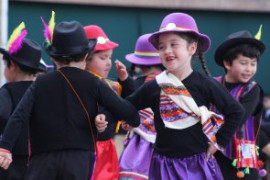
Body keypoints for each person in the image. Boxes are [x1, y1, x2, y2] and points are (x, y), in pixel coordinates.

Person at [98, 12, 245, 180]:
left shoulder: (206, 84)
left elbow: (236, 111)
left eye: (174, 44)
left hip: (196, 166)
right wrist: (107, 116)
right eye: (161, 47)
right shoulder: (154, 86)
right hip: (162, 167)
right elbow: (128, 106)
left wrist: (218, 142)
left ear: (192, 48)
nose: (167, 51)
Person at [0, 20, 140, 180]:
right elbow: (128, 113)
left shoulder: (40, 83)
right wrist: (122, 118)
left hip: (43, 160)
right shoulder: (94, 83)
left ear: (54, 58)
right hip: (79, 161)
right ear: (86, 55)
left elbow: (19, 115)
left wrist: (5, 148)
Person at [213, 30, 266, 179]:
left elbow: (238, 116)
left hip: (243, 152)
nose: (249, 69)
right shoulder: (214, 84)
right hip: (215, 152)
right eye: (244, 63)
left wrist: (216, 142)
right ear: (227, 63)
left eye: (253, 64)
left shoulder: (252, 89)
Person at [0, 22, 46, 180]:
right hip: (40, 162)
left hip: (11, 164)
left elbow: (2, 115)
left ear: (11, 65)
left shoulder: (7, 92)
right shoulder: (43, 92)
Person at [117, 33, 163, 180]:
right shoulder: (172, 81)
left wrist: (125, 80)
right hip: (166, 141)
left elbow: (128, 101)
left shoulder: (137, 83)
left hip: (139, 142)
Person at [84, 24, 121, 180]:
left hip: (107, 149)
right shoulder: (81, 85)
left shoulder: (114, 86)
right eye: (103, 57)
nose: (109, 63)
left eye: (110, 57)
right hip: (87, 151)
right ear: (85, 59)